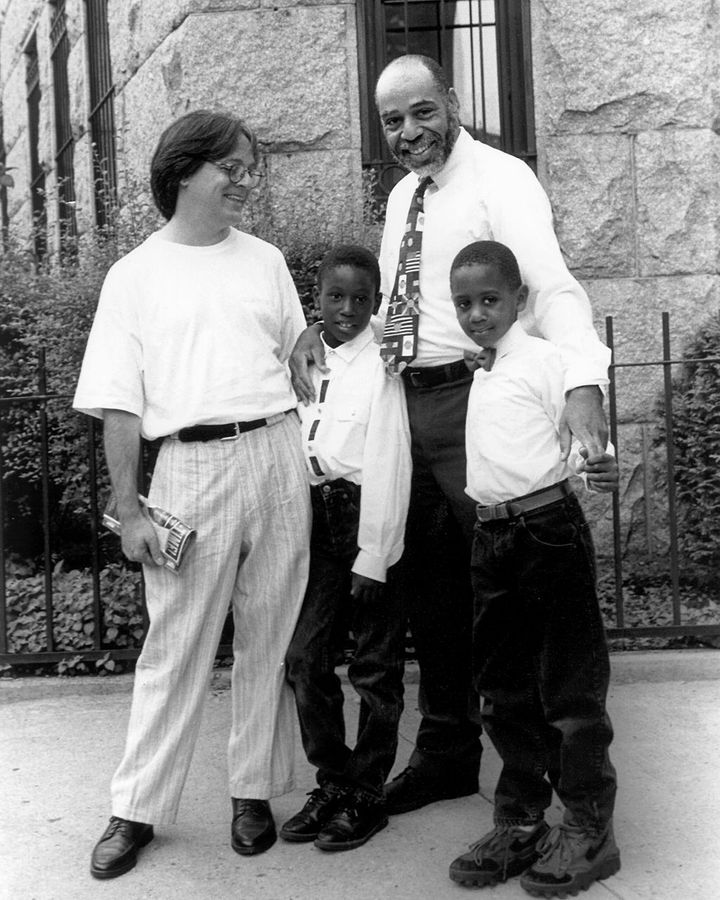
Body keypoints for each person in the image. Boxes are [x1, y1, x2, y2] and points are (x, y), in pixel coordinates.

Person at [290, 54, 612, 815]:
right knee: (435, 593)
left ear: (454, 101)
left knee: (522, 599)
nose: (409, 132)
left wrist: (584, 383)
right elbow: (403, 308)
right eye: (393, 121)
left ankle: (567, 793)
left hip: (482, 405)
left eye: (422, 112)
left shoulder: (503, 180)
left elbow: (552, 287)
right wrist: (326, 329)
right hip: (411, 410)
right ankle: (447, 755)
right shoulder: (403, 196)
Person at [73, 110, 311, 879]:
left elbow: (297, 355)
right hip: (189, 468)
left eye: (251, 168)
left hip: (275, 452)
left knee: (269, 633)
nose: (246, 182)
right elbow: (119, 404)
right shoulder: (134, 276)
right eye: (232, 168)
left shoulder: (267, 260)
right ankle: (135, 809)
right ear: (185, 173)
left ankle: (252, 791)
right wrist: (130, 508)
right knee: (174, 647)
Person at [446, 240, 620, 896]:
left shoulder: (548, 360)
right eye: (464, 303)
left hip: (547, 533)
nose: (477, 313)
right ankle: (520, 822)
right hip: (493, 541)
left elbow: (587, 434)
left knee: (569, 688)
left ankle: (588, 826)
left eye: (490, 300)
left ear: (519, 300)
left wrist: (600, 461)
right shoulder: (484, 367)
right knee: (504, 689)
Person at [281, 245, 412, 851]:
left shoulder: (384, 357)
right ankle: (333, 778)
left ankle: (366, 792)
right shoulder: (305, 355)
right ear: (318, 296)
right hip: (315, 518)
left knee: (375, 668)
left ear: (377, 299)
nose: (348, 309)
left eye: (362, 297)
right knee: (306, 657)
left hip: (369, 517)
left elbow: (391, 458)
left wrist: (375, 552)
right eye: (335, 296)